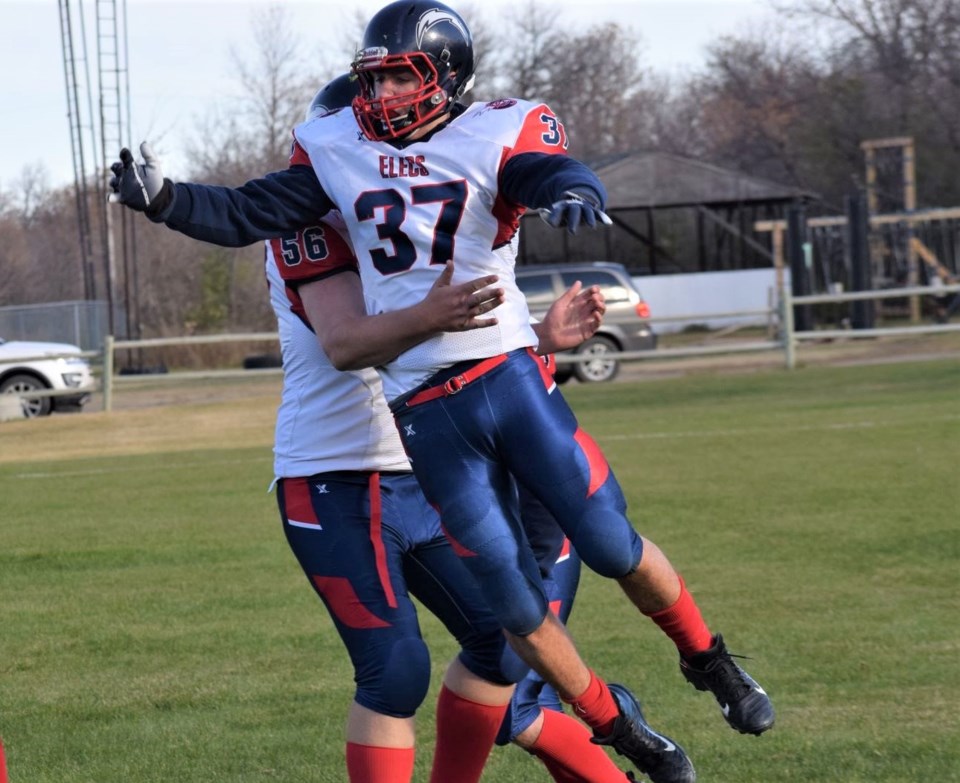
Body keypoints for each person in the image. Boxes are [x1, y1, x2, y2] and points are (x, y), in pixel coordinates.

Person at [109, 3, 773, 780]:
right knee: (427, 659)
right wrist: (166, 199)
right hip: (366, 453)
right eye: (371, 88)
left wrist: (550, 288)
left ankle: (689, 676)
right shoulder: (316, 200)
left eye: (398, 80)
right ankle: (616, 727)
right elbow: (344, 330)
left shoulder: (465, 149)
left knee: (560, 587)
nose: (380, 107)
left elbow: (514, 199)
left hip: (459, 420)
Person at [266, 71, 634, 783]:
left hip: (424, 469)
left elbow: (463, 353)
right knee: (396, 672)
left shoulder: (409, 220)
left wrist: (537, 343)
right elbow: (352, 344)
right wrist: (438, 315)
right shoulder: (308, 233)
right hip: (334, 477)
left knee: (506, 644)